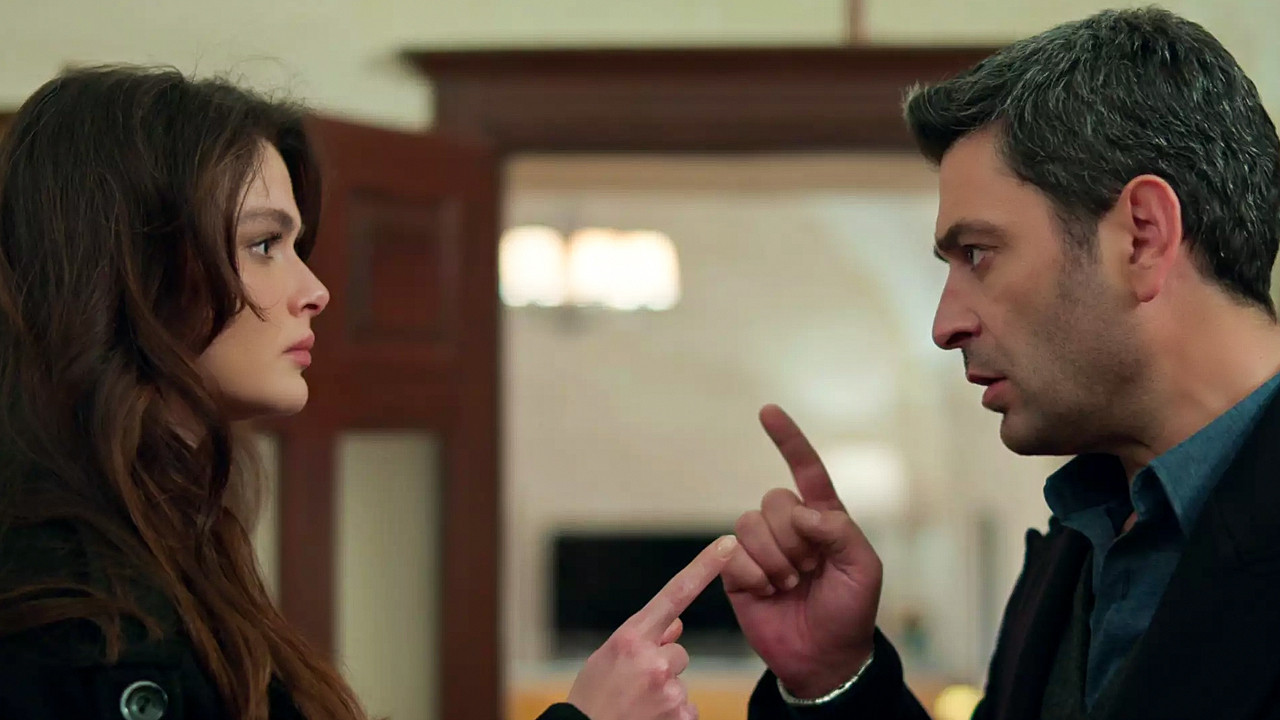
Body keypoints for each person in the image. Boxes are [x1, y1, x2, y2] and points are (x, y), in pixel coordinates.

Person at [0, 65, 732, 720]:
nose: (315, 290)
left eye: (297, 245)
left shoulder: (178, 539)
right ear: (136, 265)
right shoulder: (65, 603)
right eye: (264, 244)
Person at [726, 7, 1280, 720]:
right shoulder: (1079, 541)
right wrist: (835, 677)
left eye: (978, 254)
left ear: (1143, 237)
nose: (943, 326)